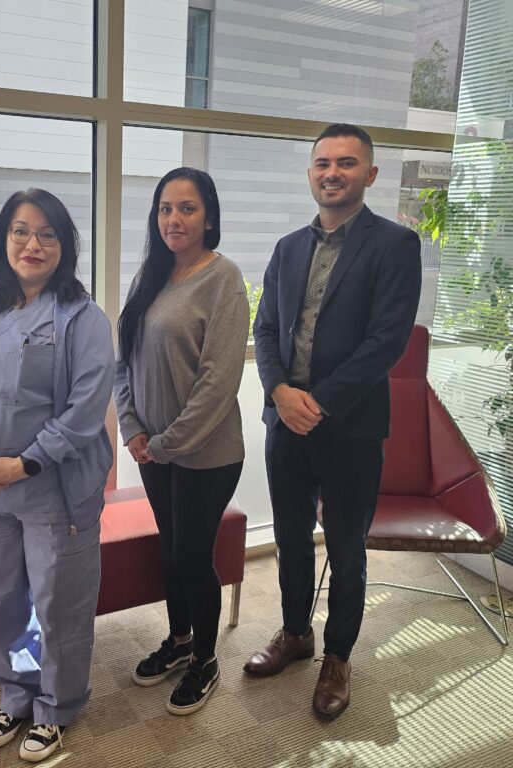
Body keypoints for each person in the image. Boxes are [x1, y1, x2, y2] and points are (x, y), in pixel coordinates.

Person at [244, 124, 422, 719]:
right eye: (322, 163)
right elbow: (265, 328)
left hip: (348, 427)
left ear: (369, 175)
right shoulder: (287, 248)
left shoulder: (396, 246)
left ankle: (338, 655)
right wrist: (277, 390)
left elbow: (386, 342)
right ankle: (296, 634)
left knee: (346, 548)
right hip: (284, 422)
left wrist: (314, 402)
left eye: (346, 163)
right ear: (310, 173)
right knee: (290, 538)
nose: (332, 172)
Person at [0, 189, 114, 761]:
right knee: (3, 599)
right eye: (20, 231)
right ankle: (17, 692)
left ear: (66, 247)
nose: (32, 244)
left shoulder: (82, 319)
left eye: (47, 234)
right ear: (3, 240)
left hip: (51, 491)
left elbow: (86, 410)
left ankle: (57, 706)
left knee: (57, 603)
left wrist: (28, 461)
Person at [114, 167, 249, 715]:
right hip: (153, 449)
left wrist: (166, 442)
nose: (174, 218)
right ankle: (180, 640)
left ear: (209, 217)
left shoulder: (223, 279)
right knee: (172, 548)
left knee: (193, 554)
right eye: (166, 208)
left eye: (187, 208)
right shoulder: (149, 276)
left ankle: (206, 660)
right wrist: (133, 429)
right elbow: (123, 361)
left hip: (206, 453)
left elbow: (219, 382)